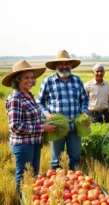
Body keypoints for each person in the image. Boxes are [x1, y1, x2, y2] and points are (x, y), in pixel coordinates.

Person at [2, 60, 56, 194]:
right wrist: (42, 128)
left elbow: (34, 118)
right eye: (26, 77)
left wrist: (44, 128)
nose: (30, 80)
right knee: (23, 177)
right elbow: (15, 126)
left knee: (33, 175)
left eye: (32, 77)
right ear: (17, 79)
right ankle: (21, 199)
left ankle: (30, 199)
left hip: (34, 143)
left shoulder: (29, 95)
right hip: (23, 144)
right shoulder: (16, 98)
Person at [36, 50, 89, 170]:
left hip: (74, 127)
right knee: (55, 161)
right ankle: (57, 185)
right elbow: (39, 102)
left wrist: (84, 112)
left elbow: (84, 100)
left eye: (67, 64)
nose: (64, 66)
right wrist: (47, 113)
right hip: (56, 127)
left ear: (71, 65)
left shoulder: (77, 81)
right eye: (61, 63)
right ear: (56, 65)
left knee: (75, 159)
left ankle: (74, 184)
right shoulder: (48, 81)